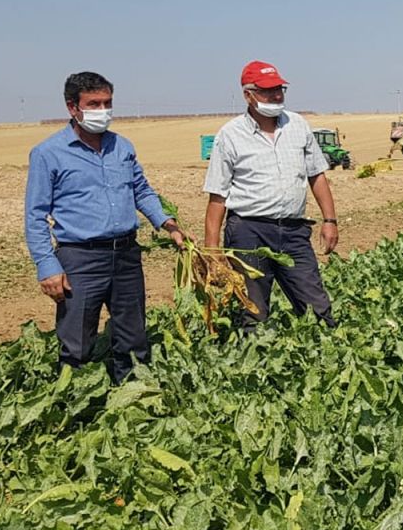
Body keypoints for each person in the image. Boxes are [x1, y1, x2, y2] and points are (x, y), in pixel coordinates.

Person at [24, 71, 186, 382]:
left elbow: (141, 189)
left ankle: (132, 399)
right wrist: (47, 265)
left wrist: (168, 223)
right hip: (80, 258)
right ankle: (75, 405)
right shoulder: (48, 153)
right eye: (94, 104)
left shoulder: (121, 147)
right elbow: (35, 215)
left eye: (107, 103)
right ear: (73, 107)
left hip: (126, 255)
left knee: (133, 338)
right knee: (77, 342)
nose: (102, 111)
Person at [202, 60, 340, 331]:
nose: (276, 96)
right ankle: (254, 365)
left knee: (317, 308)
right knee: (254, 311)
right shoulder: (230, 136)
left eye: (279, 89)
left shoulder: (298, 125)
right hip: (248, 232)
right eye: (267, 91)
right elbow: (217, 197)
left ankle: (326, 359)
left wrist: (330, 220)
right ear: (248, 95)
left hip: (293, 231)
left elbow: (317, 176)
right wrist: (212, 251)